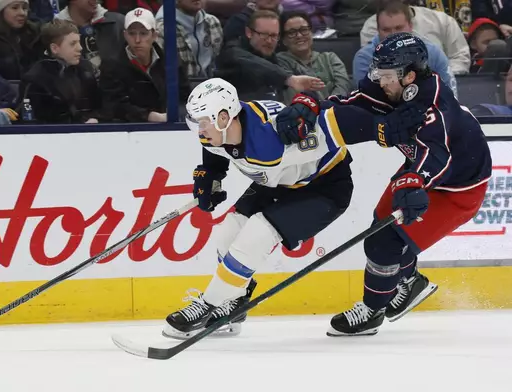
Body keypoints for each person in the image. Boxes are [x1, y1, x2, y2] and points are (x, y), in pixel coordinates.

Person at [162, 75, 422, 339]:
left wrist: (386, 127)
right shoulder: (217, 133)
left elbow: (339, 122)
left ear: (223, 117)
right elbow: (217, 153)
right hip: (280, 184)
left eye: (203, 122)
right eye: (196, 123)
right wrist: (211, 175)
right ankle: (234, 303)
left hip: (325, 188)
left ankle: (208, 304)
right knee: (229, 232)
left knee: (257, 235)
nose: (200, 131)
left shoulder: (276, 136)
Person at [280, 32, 492, 336]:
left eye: (387, 75)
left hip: (457, 187)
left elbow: (437, 155)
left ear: (409, 76)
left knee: (383, 242)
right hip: (421, 170)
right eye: (378, 72)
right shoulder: (392, 88)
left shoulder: (434, 107)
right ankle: (411, 281)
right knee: (381, 224)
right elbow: (353, 104)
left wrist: (415, 181)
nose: (380, 80)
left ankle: (372, 311)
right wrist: (314, 107)